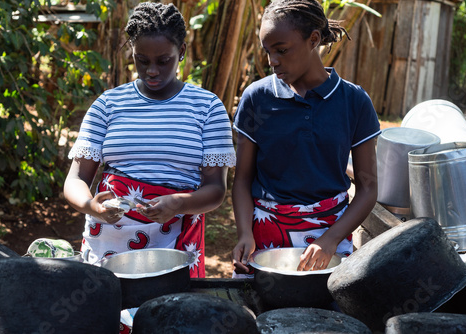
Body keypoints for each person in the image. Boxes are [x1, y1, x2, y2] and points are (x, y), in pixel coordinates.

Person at [64, 2, 236, 279]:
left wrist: (179, 204)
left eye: (163, 60)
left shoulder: (207, 108)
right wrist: (92, 206)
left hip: (176, 238)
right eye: (141, 60)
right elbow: (75, 180)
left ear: (181, 52)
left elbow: (216, 189)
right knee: (108, 314)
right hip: (109, 238)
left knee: (169, 316)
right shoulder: (108, 105)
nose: (152, 71)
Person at [231, 0, 381, 276]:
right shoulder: (257, 99)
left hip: (332, 236)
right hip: (264, 236)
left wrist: (331, 239)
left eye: (282, 50)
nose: (272, 61)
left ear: (313, 40)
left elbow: (368, 186)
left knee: (330, 316)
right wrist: (244, 233)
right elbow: (241, 180)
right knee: (259, 314)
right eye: (267, 51)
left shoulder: (353, 102)